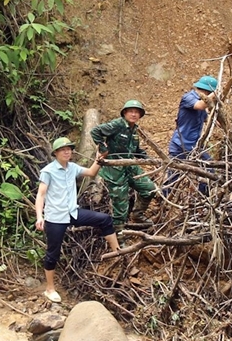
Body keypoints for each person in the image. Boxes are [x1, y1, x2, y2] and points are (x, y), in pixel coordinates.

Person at [35, 136, 117, 303]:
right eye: (63, 149)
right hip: (55, 217)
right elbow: (41, 195)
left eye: (69, 149)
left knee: (105, 219)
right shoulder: (48, 171)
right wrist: (39, 217)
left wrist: (99, 159)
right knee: (53, 253)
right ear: (56, 153)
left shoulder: (72, 167)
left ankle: (117, 253)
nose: (67, 151)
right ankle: (49, 289)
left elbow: (91, 173)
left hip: (73, 213)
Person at [91, 99, 158, 228]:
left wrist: (149, 158)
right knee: (120, 206)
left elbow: (135, 149)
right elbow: (95, 131)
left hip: (130, 166)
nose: (134, 114)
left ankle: (137, 215)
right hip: (114, 170)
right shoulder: (117, 125)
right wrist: (103, 149)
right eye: (131, 112)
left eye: (137, 112)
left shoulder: (134, 129)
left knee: (149, 189)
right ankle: (119, 238)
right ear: (125, 113)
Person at [167, 76, 217, 192]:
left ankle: (203, 198)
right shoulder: (189, 97)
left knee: (209, 170)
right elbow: (200, 105)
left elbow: (207, 118)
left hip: (195, 146)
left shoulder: (202, 104)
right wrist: (214, 94)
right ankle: (165, 201)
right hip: (180, 145)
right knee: (173, 178)